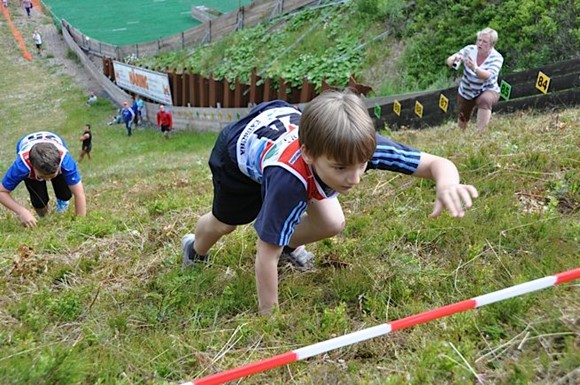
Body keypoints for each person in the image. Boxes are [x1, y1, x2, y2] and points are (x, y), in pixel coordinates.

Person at [180, 89, 479, 314]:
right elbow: (264, 255)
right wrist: (269, 318)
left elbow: (435, 163)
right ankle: (194, 250)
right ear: (309, 154)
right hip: (237, 155)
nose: (355, 177)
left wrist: (447, 182)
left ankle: (288, 241)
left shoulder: (354, 145)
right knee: (226, 224)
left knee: (333, 222)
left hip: (284, 127)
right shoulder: (289, 179)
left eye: (362, 164)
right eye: (341, 169)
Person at [0, 131, 87, 228]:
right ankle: (43, 218)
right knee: (39, 201)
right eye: (43, 177)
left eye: (52, 176)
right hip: (28, 149)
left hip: (54, 147)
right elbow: (1, 192)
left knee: (65, 194)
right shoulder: (21, 167)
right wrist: (21, 211)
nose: (48, 180)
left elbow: (79, 193)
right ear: (32, 167)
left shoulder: (66, 162)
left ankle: (62, 205)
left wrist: (80, 224)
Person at [446, 27, 503, 131]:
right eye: (479, 40)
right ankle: (461, 137)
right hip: (467, 90)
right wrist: (454, 60)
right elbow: (450, 60)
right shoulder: (469, 50)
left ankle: (480, 133)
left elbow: (487, 75)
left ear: (492, 44)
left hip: (487, 88)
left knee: (485, 100)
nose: (480, 44)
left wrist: (475, 68)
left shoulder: (497, 58)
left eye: (484, 42)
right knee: (463, 116)